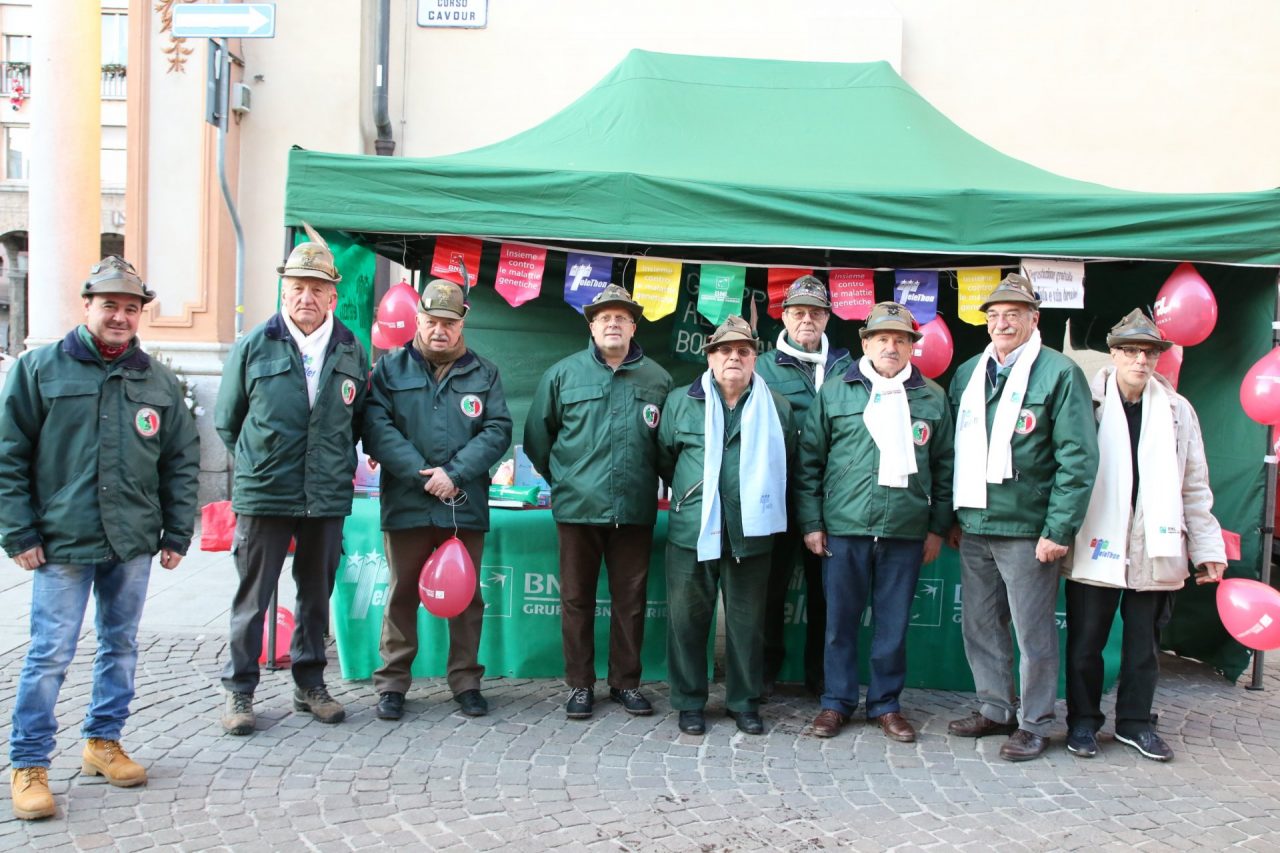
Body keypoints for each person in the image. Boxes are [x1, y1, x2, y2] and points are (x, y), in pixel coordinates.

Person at [0, 257, 200, 820]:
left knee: (121, 646)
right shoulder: (39, 369)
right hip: (61, 542)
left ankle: (102, 741)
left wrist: (176, 531)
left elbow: (180, 462)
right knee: (49, 654)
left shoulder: (155, 379)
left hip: (132, 540)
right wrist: (17, 530)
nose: (120, 316)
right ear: (87, 305)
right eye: (109, 305)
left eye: (131, 308)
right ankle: (29, 764)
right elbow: (8, 456)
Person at [215, 226, 368, 735]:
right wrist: (261, 464)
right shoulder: (255, 345)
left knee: (314, 594)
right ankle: (240, 692)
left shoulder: (351, 349)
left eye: (316, 288)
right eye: (297, 287)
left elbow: (359, 420)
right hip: (266, 492)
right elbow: (227, 420)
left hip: (325, 494)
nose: (306, 297)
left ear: (332, 295)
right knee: (254, 596)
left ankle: (310, 684)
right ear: (284, 291)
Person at [947, 273, 1098, 761]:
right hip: (974, 525)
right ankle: (995, 708)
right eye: (994, 315)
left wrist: (1059, 528)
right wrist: (952, 514)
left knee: (1033, 634)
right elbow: (950, 454)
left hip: (1029, 530)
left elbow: (1077, 457)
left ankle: (1035, 722)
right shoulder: (969, 373)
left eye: (1013, 314)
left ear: (1035, 319)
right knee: (981, 626)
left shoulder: (1059, 372)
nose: (1002, 322)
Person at [1063, 309, 1226, 761]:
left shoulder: (1177, 410)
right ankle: (1082, 722)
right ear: (1113, 354)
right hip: (1096, 538)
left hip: (1155, 544)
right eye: (1131, 350)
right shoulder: (1086, 401)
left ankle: (1135, 723)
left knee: (1143, 646)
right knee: (1085, 643)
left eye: (1149, 352)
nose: (1140, 359)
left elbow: (1193, 484)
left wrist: (1207, 549)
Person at [795, 302, 954, 743]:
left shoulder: (932, 397)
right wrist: (812, 523)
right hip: (844, 526)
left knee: (893, 624)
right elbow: (810, 462)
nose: (891, 346)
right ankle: (836, 702)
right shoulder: (836, 390)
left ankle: (885, 704)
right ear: (865, 343)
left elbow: (945, 466)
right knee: (838, 623)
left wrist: (937, 527)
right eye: (882, 338)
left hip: (905, 528)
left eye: (900, 339)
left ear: (911, 347)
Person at [363, 278, 512, 721]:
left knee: (466, 598)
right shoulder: (389, 370)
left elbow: (498, 430)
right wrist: (421, 474)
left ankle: (466, 681)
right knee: (401, 593)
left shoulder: (485, 373)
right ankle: (392, 684)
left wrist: (455, 473)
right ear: (418, 320)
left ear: (461, 323)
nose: (439, 330)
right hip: (407, 502)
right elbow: (376, 427)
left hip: (461, 502)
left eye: (448, 323)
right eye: (431, 321)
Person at [524, 284, 673, 719]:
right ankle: (580, 685)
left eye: (621, 317)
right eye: (604, 317)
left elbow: (666, 447)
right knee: (576, 599)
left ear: (633, 326)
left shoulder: (658, 379)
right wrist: (565, 480)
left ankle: (626, 683)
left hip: (635, 508)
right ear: (591, 326)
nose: (612, 323)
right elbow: (537, 438)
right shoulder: (562, 374)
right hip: (577, 509)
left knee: (631, 601)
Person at [657, 315, 793, 736]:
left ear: (755, 358)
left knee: (748, 624)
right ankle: (689, 701)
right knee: (687, 619)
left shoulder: (779, 406)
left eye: (743, 351)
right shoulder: (681, 401)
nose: (733, 357)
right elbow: (664, 456)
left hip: (751, 533)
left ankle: (744, 701)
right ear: (710, 357)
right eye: (724, 350)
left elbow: (789, 463)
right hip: (692, 529)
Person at [755, 275, 852, 697]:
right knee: (768, 591)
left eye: (815, 312)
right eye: (798, 312)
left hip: (835, 500)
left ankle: (823, 678)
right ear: (784, 317)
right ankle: (763, 674)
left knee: (829, 595)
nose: (807, 320)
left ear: (828, 317)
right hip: (776, 496)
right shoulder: (761, 366)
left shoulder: (851, 367)